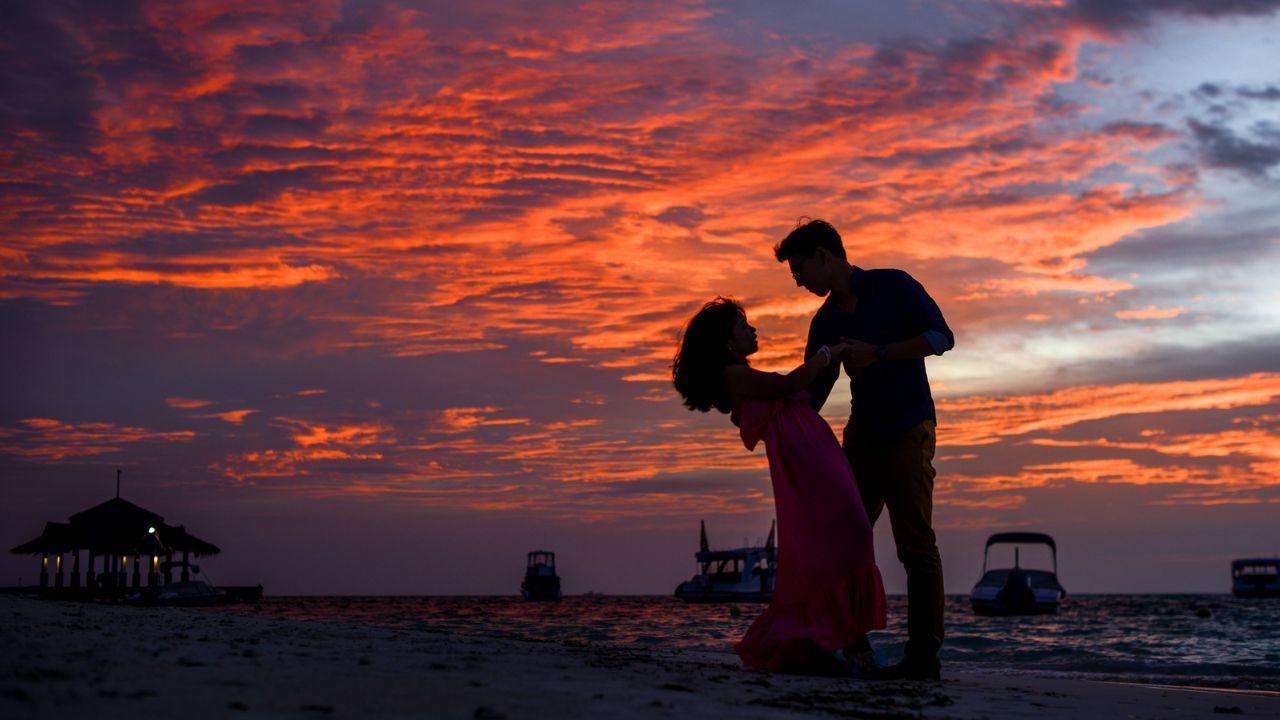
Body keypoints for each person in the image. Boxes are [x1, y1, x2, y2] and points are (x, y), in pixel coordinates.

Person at [775, 218, 954, 681]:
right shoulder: (825, 321)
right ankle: (851, 647)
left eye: (800, 268)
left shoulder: (893, 285)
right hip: (860, 438)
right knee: (840, 539)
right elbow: (814, 391)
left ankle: (924, 658)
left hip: (909, 429)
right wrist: (775, 418)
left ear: (824, 255)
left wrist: (878, 352)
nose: (798, 280)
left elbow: (941, 338)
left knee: (915, 544)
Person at [672, 297, 886, 676]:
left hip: (811, 449)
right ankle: (843, 644)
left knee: (845, 533)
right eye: (743, 326)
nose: (752, 330)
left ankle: (845, 643)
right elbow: (788, 384)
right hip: (804, 458)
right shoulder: (733, 374)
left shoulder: (739, 373)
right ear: (727, 341)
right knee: (849, 531)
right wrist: (828, 353)